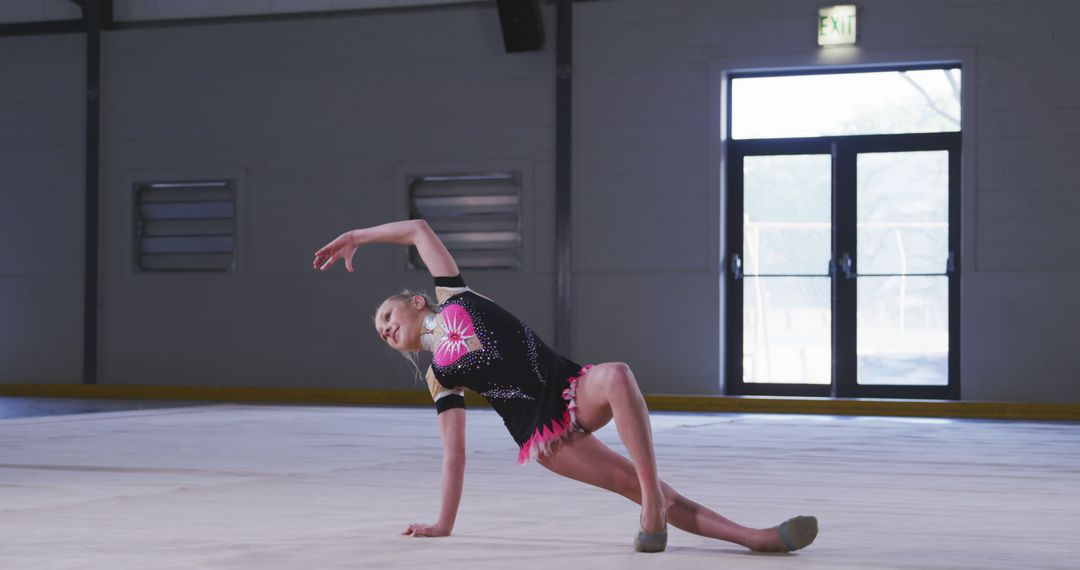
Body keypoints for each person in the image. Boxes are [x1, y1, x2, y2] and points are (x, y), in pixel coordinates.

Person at [313, 219, 818, 554]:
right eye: (381, 334)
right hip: (544, 433)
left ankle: (652, 507)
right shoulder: (438, 375)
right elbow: (455, 454)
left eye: (385, 316)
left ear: (416, 303)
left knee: (617, 374)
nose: (384, 329)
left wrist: (359, 236)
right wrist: (443, 524)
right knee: (634, 484)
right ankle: (757, 539)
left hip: (570, 385)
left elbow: (419, 229)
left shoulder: (454, 294)